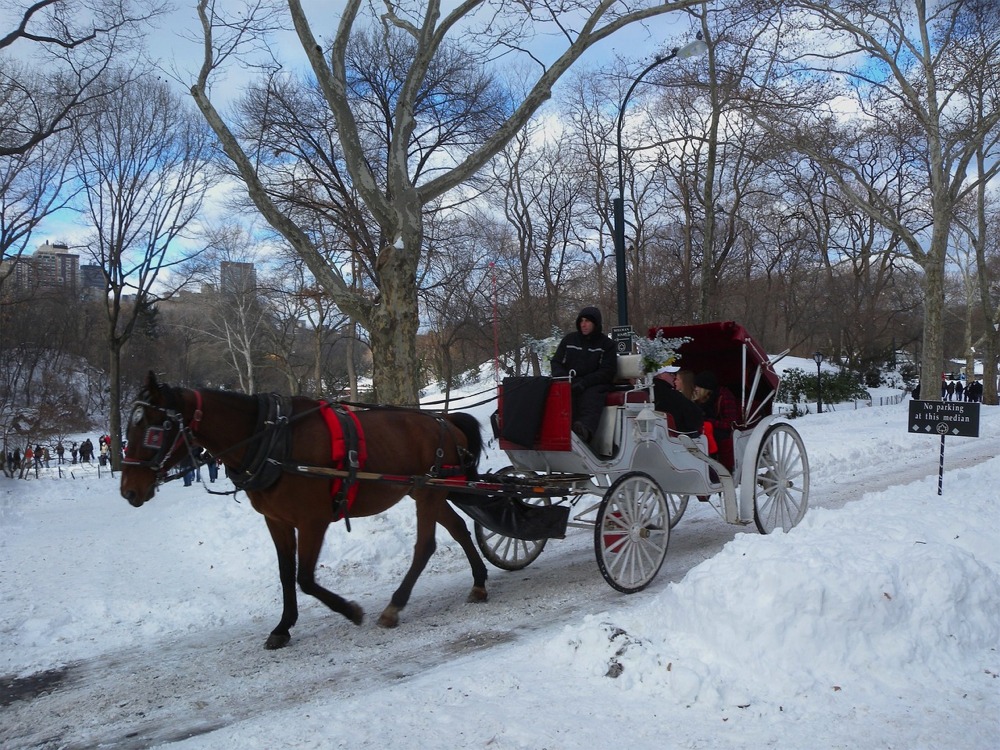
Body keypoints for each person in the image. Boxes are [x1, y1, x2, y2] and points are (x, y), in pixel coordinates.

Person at [550, 306, 617, 442]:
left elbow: (607, 371)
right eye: (581, 321)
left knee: (591, 396)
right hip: (569, 380)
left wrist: (585, 382)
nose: (583, 324)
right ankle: (551, 429)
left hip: (594, 383)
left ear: (596, 323)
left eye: (587, 321)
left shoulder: (606, 344)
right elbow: (556, 362)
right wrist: (564, 378)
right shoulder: (569, 340)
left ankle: (583, 430)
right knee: (553, 392)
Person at [693, 371, 741, 470]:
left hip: (722, 431)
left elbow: (730, 424)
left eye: (698, 386)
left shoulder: (724, 397)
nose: (695, 389)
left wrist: (708, 421)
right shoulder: (700, 399)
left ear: (705, 389)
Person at [652, 368, 704, 435]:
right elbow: (696, 418)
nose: (674, 377)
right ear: (661, 375)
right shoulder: (670, 395)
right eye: (671, 374)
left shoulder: (649, 391)